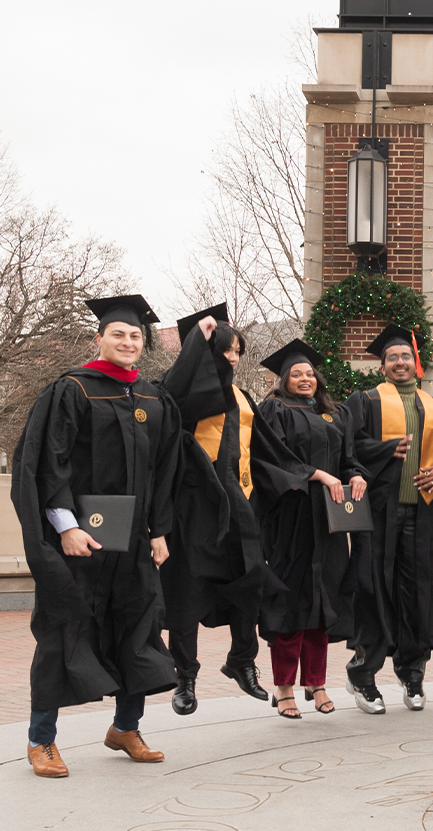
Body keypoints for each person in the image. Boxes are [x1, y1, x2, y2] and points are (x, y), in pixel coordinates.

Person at [11, 295, 180, 778]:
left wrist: (160, 531)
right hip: (83, 540)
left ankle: (126, 727)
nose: (128, 342)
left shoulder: (152, 397)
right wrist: (65, 526)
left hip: (135, 542)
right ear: (99, 339)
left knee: (138, 628)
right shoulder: (72, 390)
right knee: (64, 630)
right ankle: (41, 740)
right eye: (119, 335)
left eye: (135, 336)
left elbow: (167, 468)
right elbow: (48, 462)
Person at [159, 305, 310, 717]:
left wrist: (310, 475)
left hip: (241, 504)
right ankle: (184, 676)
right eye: (224, 349)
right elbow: (172, 388)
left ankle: (241, 660)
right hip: (194, 509)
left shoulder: (243, 397)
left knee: (250, 581)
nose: (231, 357)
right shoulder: (182, 394)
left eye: (237, 351)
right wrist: (197, 340)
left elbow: (267, 449)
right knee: (187, 592)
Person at [341, 324, 433, 713]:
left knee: (420, 592)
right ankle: (363, 674)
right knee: (375, 589)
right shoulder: (363, 401)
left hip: (425, 512)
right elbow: (349, 450)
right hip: (380, 513)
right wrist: (385, 449)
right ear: (382, 366)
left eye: (405, 356)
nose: (400, 363)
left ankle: (413, 673)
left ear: (416, 363)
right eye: (392, 358)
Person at [253, 338, 368, 719]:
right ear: (284, 379)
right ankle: (284, 687)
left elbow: (348, 459)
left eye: (310, 374)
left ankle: (316, 682)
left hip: (332, 520)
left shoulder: (334, 414)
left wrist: (355, 477)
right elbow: (271, 459)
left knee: (325, 602)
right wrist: (317, 475)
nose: (305, 379)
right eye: (296, 374)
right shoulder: (273, 409)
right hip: (293, 517)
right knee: (291, 601)